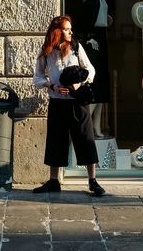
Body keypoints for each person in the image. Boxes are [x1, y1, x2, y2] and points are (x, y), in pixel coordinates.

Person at [32, 15, 105, 196]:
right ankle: (53, 181)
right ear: (57, 31)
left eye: (70, 28)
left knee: (85, 139)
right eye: (66, 29)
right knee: (55, 140)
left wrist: (78, 84)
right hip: (57, 103)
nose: (70, 31)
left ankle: (92, 181)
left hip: (77, 103)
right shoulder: (46, 52)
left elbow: (91, 70)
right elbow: (37, 77)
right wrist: (52, 86)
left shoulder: (76, 47)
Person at [65, 0, 114, 137]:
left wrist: (108, 19)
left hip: (101, 36)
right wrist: (86, 37)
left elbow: (100, 15)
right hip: (90, 40)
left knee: (102, 86)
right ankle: (83, 125)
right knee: (94, 83)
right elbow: (80, 16)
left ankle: (96, 127)